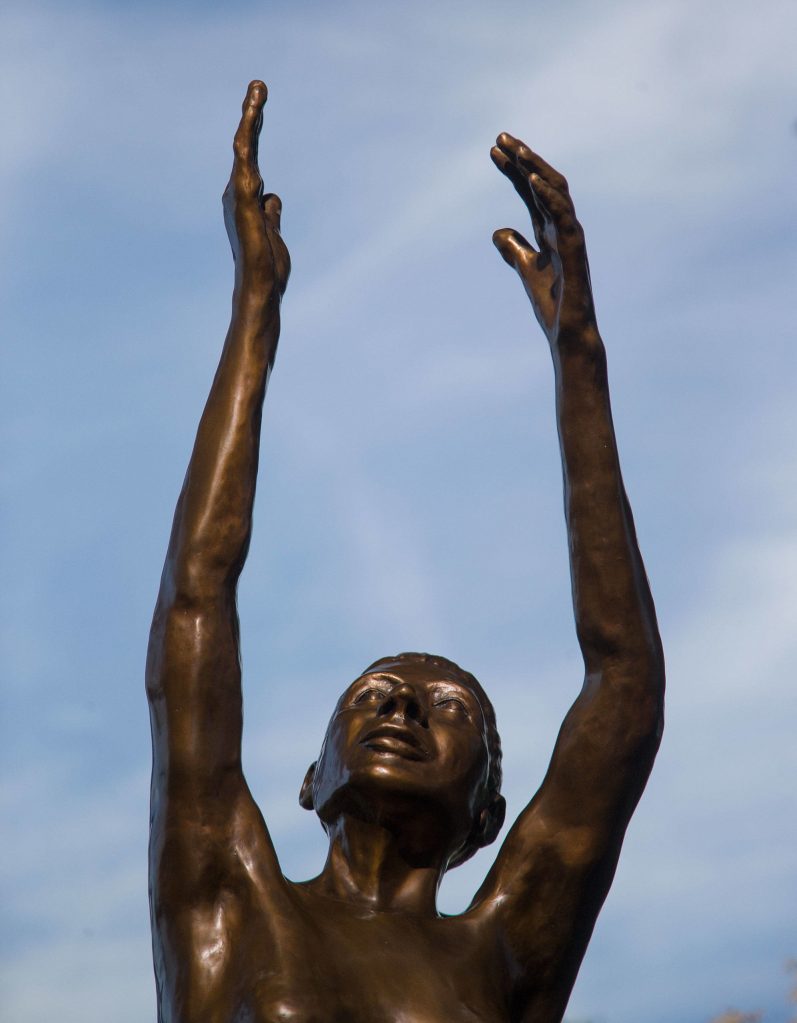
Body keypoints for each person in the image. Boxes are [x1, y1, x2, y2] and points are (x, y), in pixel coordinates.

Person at [146, 80, 665, 1023]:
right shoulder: (228, 892)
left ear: (486, 817)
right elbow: (197, 598)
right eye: (371, 695)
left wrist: (578, 358)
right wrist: (254, 314)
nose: (398, 705)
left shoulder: (500, 950)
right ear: (310, 781)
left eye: (449, 709)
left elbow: (622, 689)